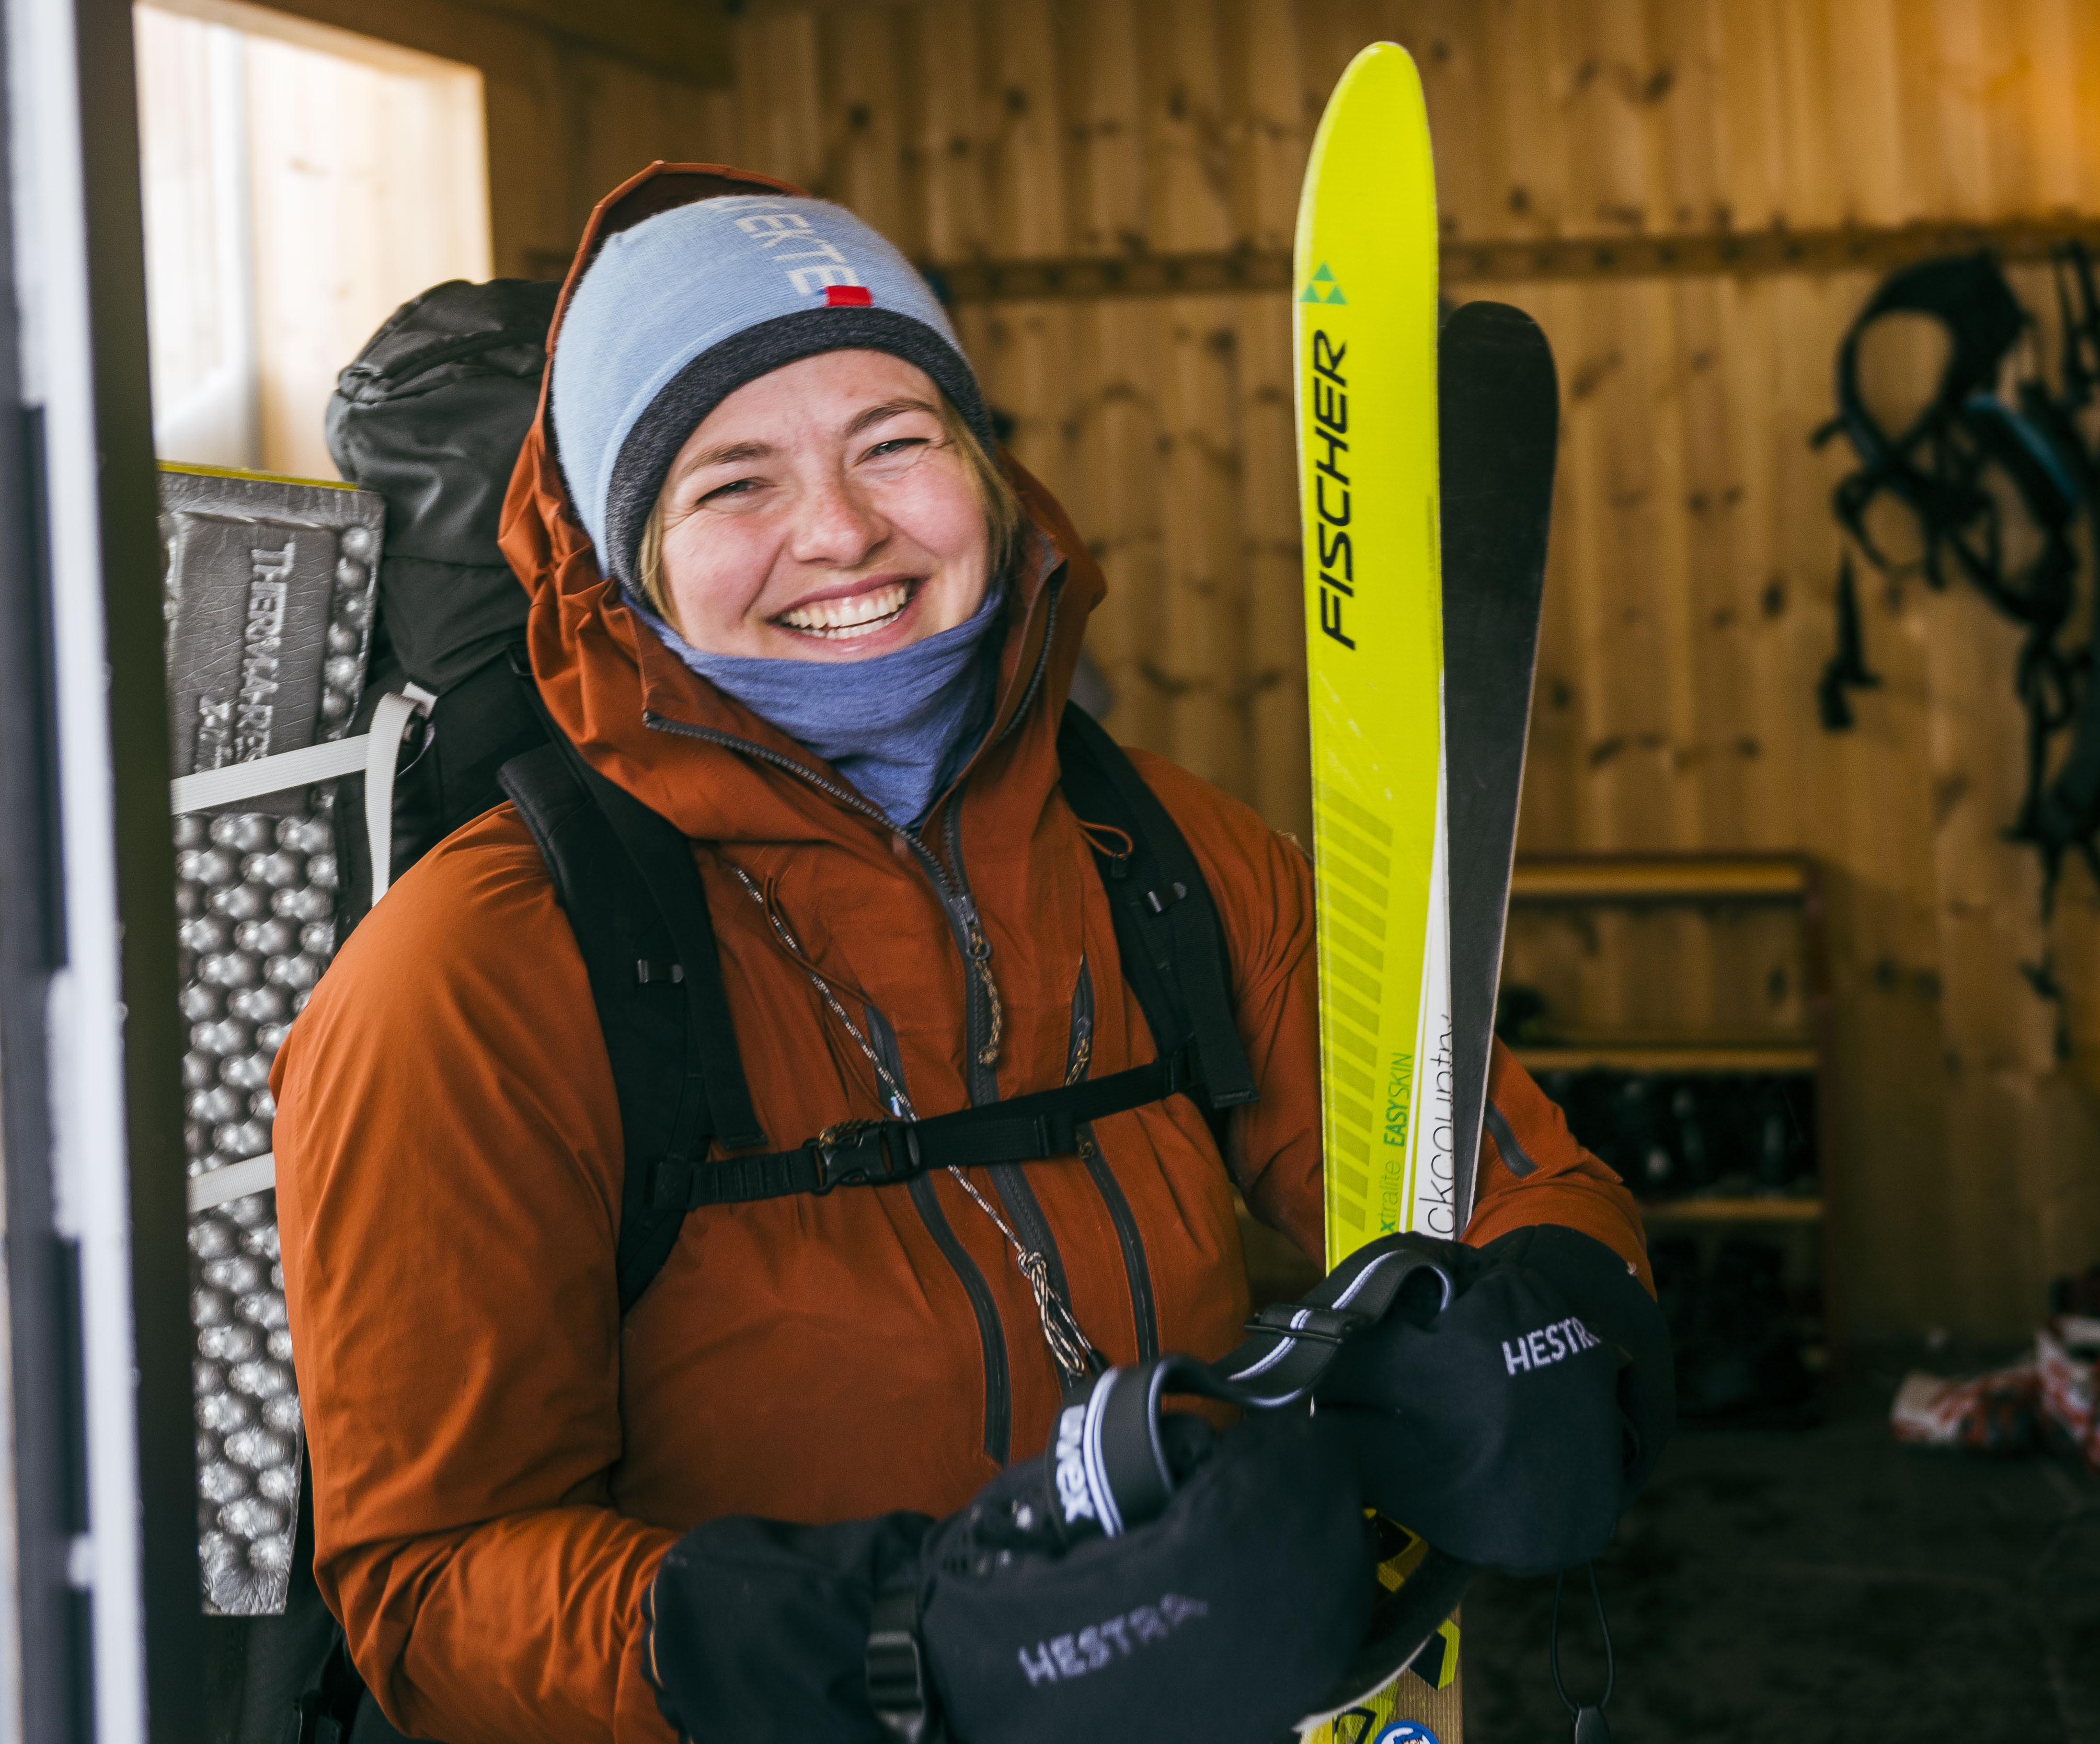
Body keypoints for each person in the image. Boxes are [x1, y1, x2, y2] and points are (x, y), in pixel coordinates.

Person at [272, 163, 1661, 1744]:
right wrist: (904, 1649)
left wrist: (1562, 1310)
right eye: (734, 483)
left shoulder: (1165, 859)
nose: (844, 531)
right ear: (624, 558)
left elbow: (1501, 1170)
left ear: (987, 475)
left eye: (897, 443)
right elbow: (435, 1592)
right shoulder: (475, 974)